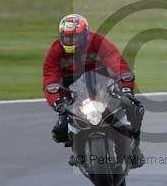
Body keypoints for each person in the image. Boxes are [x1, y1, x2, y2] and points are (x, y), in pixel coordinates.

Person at [42, 13, 144, 167]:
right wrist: (56, 100)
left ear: (84, 35)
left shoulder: (98, 42)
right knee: (60, 130)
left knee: (133, 107)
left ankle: (135, 148)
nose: (69, 41)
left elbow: (116, 60)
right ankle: (77, 151)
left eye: (74, 37)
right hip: (72, 90)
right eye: (66, 37)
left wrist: (126, 87)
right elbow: (50, 76)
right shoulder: (56, 49)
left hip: (101, 85)